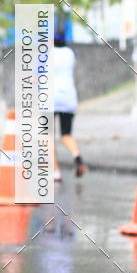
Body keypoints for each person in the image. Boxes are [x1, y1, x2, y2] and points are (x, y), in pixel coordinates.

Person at [53, 31, 85, 180]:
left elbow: (35, 76)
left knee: (47, 136)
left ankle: (55, 172)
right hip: (68, 97)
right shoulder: (70, 53)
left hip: (50, 99)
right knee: (66, 135)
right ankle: (77, 157)